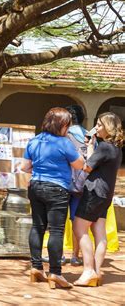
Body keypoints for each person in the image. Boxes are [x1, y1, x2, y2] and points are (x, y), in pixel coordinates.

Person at [21, 107, 84, 289]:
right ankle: (55, 273)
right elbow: (79, 164)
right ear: (62, 125)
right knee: (56, 230)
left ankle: (36, 268)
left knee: (37, 227)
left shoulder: (34, 141)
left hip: (36, 187)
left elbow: (25, 166)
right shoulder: (64, 143)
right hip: (57, 189)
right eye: (68, 125)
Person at [73, 112, 123, 287]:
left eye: (100, 125)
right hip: (106, 194)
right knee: (99, 232)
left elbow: (87, 168)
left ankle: (88, 271)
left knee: (79, 228)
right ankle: (97, 271)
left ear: (108, 127)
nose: (97, 127)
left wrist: (73, 159)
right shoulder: (115, 148)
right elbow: (95, 163)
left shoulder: (104, 147)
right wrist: (91, 145)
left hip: (94, 192)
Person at [65, 104, 88, 266]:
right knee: (77, 221)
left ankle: (58, 255)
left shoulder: (64, 136)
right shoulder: (89, 137)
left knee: (57, 219)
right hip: (81, 185)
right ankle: (75, 255)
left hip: (64, 182)